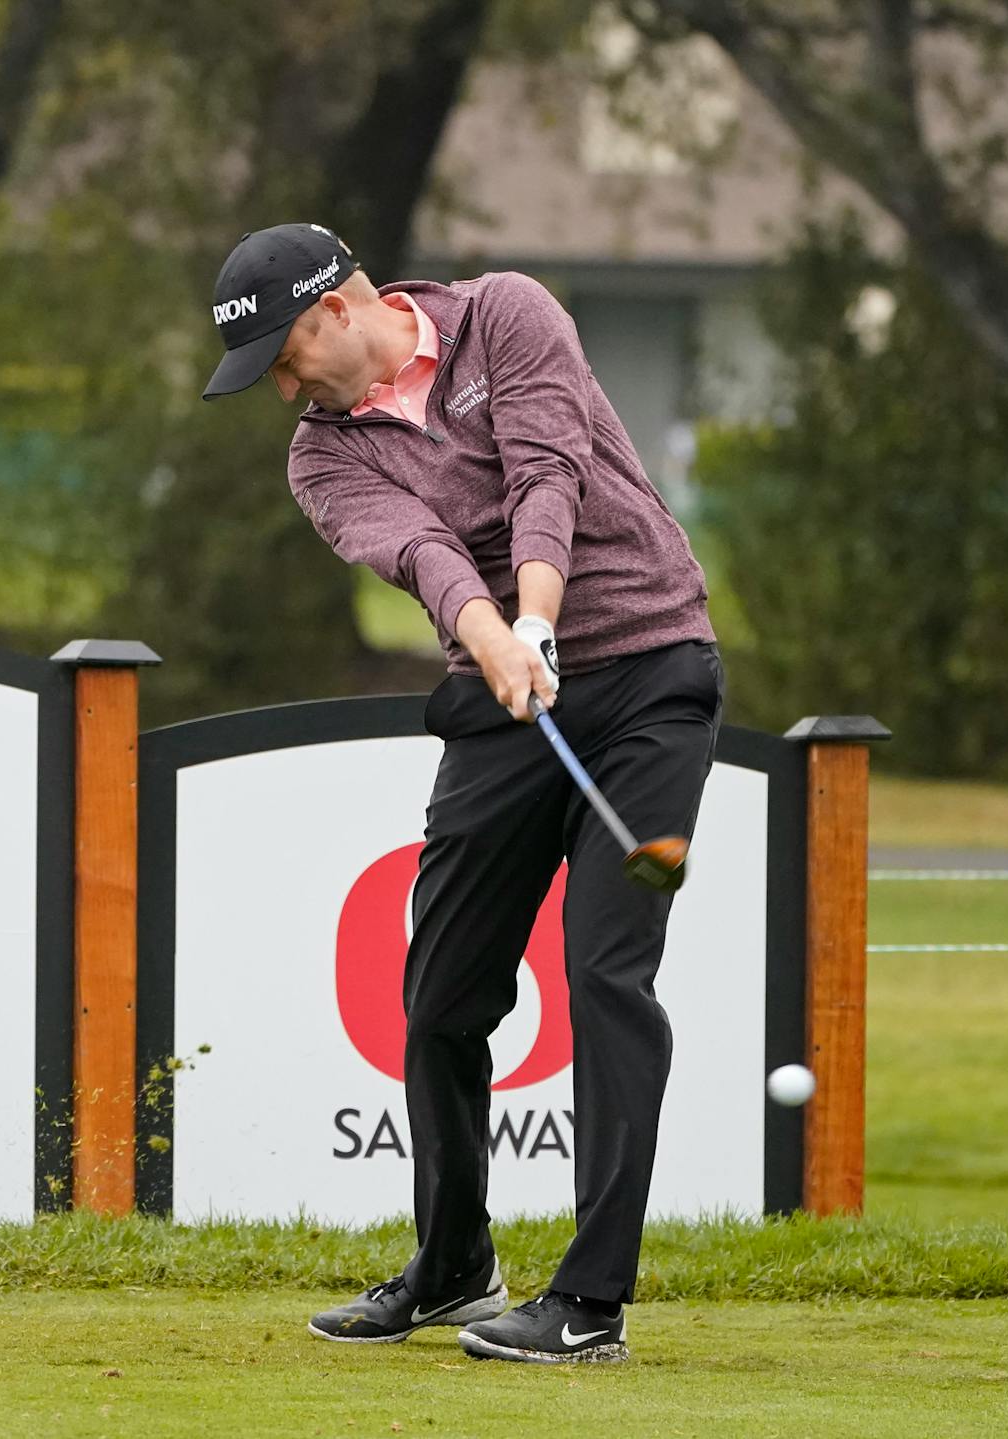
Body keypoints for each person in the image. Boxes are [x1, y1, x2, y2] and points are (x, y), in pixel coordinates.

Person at [203, 223, 723, 1365]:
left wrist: (537, 612)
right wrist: (492, 635)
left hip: (646, 676)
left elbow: (551, 472)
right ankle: (452, 1264)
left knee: (605, 969)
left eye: (285, 357)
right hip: (500, 703)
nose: (283, 388)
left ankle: (589, 1300)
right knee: (442, 992)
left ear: (339, 310)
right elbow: (424, 554)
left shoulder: (508, 312)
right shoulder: (320, 455)